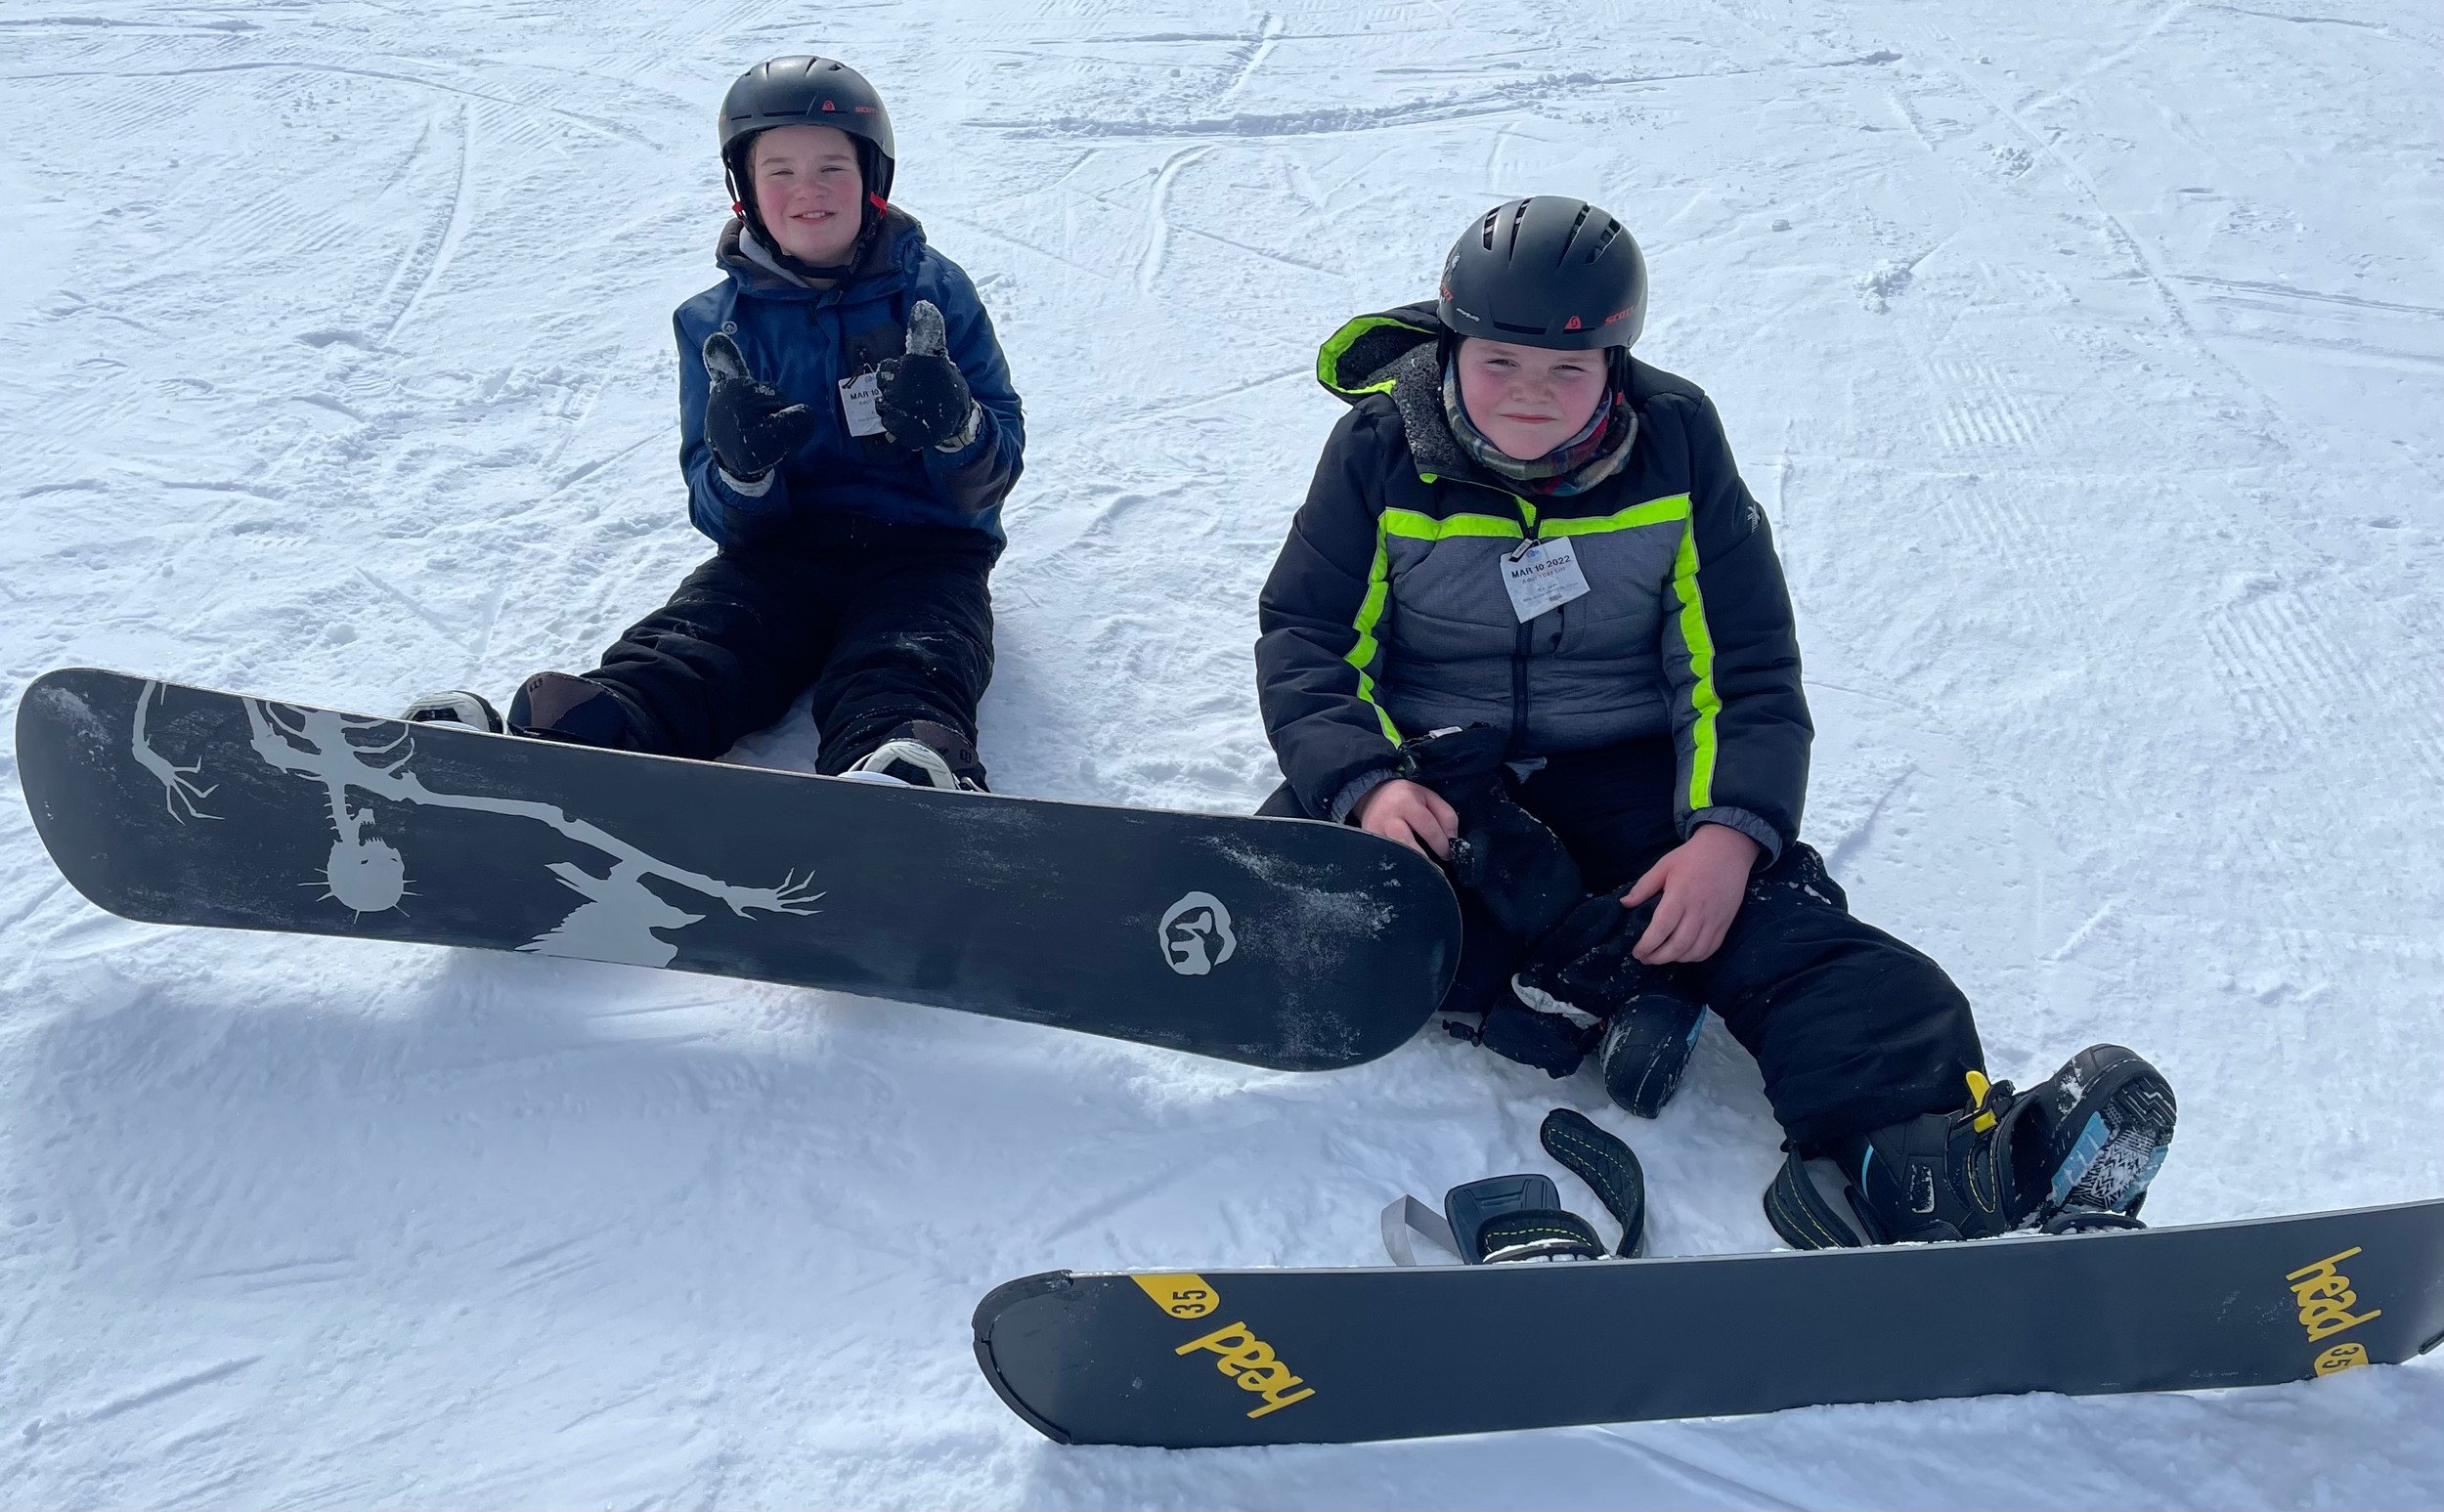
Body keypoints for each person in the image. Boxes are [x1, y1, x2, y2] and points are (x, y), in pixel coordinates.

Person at [1253, 195, 2176, 1248]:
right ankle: (1577, 981)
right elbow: (1307, 638)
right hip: (1441, 770)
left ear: (1615, 361)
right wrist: (1365, 779)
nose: (1529, 397)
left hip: (1626, 770)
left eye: (1567, 370)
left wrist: (1728, 835)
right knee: (1314, 862)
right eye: (1499, 363)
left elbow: (1743, 667)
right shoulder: (1378, 448)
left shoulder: (1675, 443)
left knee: (1792, 934)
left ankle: (1914, 1155)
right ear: (1451, 341)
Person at [410, 55, 1024, 791]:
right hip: (781, 555)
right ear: (745, 191)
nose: (808, 192)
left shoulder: (937, 291)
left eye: (832, 167)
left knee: (908, 655)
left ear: (873, 181)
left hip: (927, 552)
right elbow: (721, 513)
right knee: (706, 639)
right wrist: (742, 470)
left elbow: (998, 462)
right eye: (781, 171)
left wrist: (958, 429)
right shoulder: (714, 325)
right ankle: (583, 739)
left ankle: (899, 776)